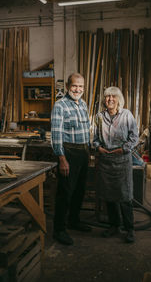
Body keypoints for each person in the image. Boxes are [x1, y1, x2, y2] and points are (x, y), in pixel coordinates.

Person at [93, 86, 139, 243]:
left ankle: (129, 228)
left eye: (113, 96)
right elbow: (95, 138)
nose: (110, 99)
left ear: (119, 99)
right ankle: (114, 226)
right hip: (106, 161)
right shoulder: (99, 117)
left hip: (122, 160)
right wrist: (98, 147)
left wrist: (123, 149)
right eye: (107, 96)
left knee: (125, 196)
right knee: (109, 195)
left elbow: (134, 137)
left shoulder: (127, 115)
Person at [51, 73, 91, 245]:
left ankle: (74, 221)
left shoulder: (83, 104)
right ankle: (59, 230)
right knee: (65, 192)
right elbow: (56, 134)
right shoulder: (60, 105)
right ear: (68, 86)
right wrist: (62, 158)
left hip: (83, 153)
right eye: (75, 86)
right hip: (69, 153)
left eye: (81, 86)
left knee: (79, 191)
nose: (78, 89)